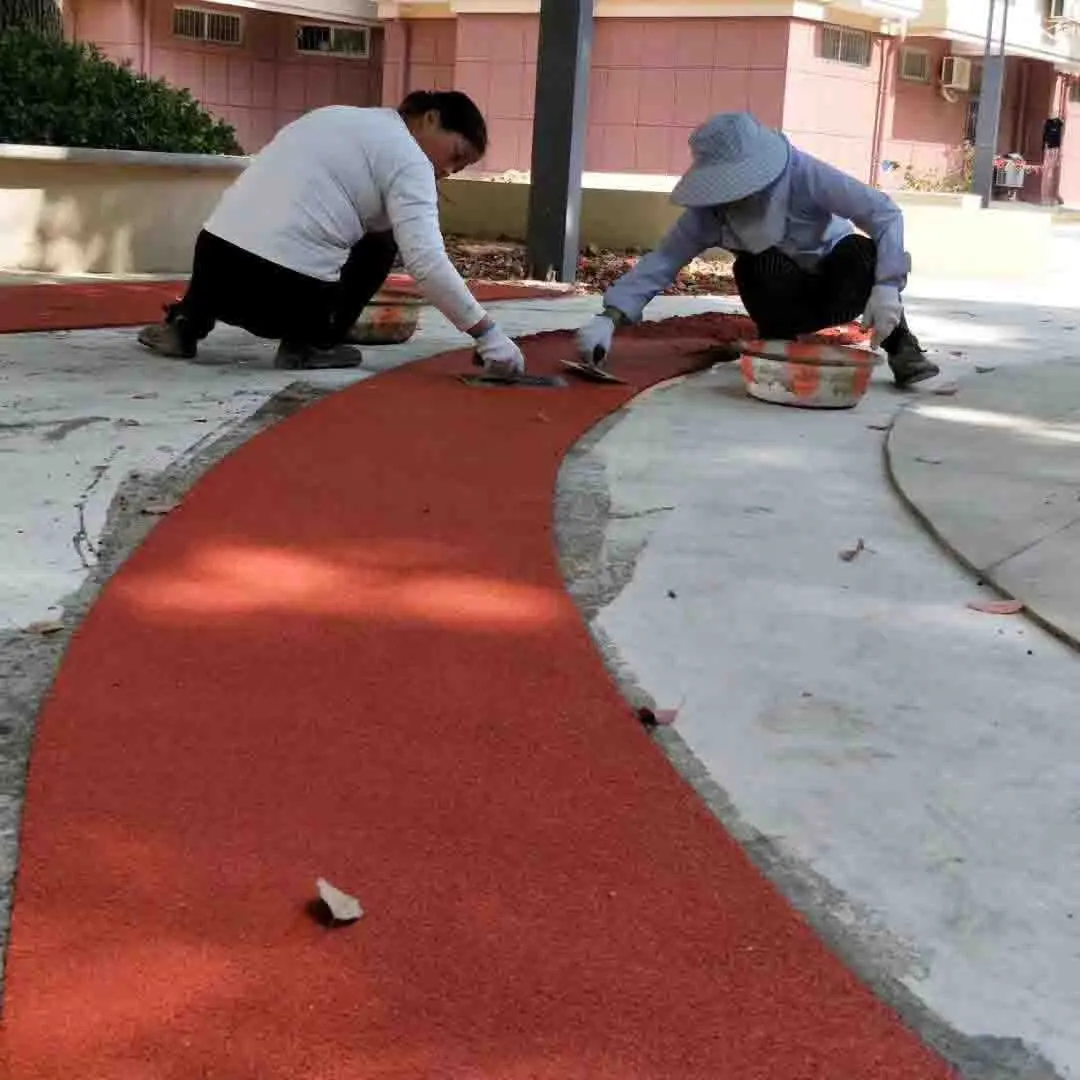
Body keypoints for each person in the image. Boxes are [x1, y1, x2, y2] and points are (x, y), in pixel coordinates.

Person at [137, 91, 526, 375]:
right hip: (282, 294)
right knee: (383, 241)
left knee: (254, 227)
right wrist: (488, 335)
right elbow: (426, 261)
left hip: (214, 270)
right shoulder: (410, 159)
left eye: (458, 169)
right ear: (430, 118)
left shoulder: (333, 116)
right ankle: (310, 344)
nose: (447, 171)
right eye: (455, 155)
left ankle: (185, 327)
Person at [576, 112, 938, 389]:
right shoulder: (711, 213)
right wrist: (610, 316)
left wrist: (887, 286)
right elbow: (664, 260)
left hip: (840, 285)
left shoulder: (804, 174)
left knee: (862, 252)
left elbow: (883, 213)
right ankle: (777, 349)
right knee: (753, 266)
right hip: (784, 302)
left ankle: (901, 344)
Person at [1041, 114, 1064, 207]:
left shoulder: (1059, 123)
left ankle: (1052, 197)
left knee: (1052, 173)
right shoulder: (1048, 123)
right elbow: (1044, 136)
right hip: (1050, 148)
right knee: (1047, 173)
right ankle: (1047, 198)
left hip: (1055, 148)